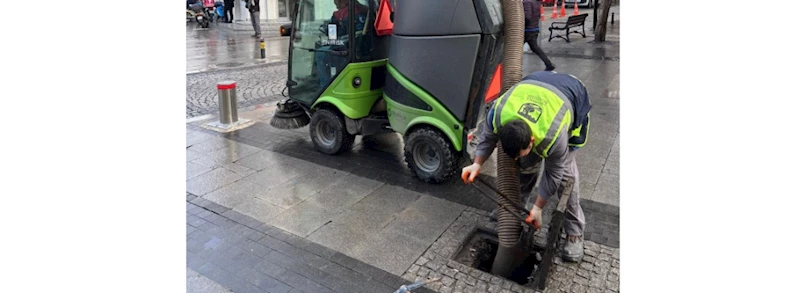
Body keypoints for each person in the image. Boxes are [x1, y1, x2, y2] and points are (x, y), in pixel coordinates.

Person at [461, 71, 591, 262]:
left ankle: (574, 231)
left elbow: (553, 174)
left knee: (566, 178)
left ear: (531, 140)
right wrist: (476, 164)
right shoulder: (497, 114)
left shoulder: (554, 136)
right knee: (525, 164)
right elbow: (487, 139)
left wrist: (538, 208)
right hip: (537, 85)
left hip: (571, 96)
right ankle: (518, 208)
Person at [523, 0, 555, 71]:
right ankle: (549, 64)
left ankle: (510, 67)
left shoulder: (527, 2)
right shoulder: (536, 1)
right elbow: (538, 14)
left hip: (527, 30)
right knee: (535, 48)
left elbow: (527, 17)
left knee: (515, 49)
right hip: (534, 28)